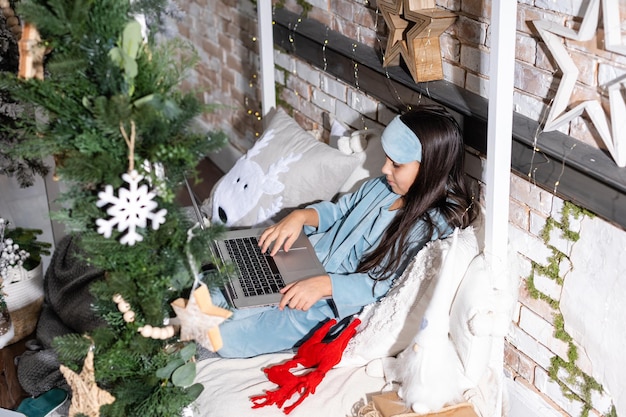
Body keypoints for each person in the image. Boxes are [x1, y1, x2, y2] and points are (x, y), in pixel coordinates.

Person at [212, 105, 477, 358]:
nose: (385, 169)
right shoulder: (381, 187)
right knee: (218, 288)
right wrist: (300, 216)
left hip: (328, 304)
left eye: (396, 164)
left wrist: (325, 285)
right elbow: (338, 211)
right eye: (387, 159)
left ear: (430, 168)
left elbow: (381, 285)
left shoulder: (430, 226)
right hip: (305, 259)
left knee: (227, 337)